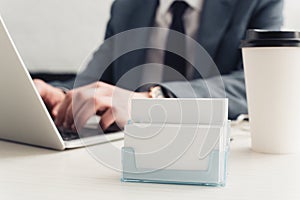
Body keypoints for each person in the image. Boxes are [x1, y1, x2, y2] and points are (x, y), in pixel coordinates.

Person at [34, 0, 283, 131]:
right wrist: (63, 97)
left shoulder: (256, 2)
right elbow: (97, 80)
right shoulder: (126, 7)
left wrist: (155, 100)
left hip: (204, 144)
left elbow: (260, 83)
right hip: (125, 142)